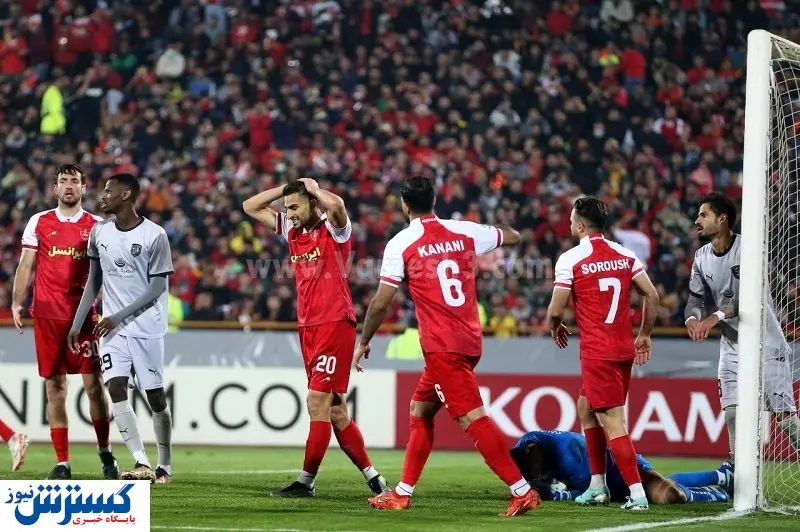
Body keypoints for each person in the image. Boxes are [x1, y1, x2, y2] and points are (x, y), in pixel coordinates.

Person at [355, 176, 539, 517]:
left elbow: (381, 301)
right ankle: (403, 492)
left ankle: (522, 490)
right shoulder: (464, 230)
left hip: (443, 345)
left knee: (473, 418)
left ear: (404, 206)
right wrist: (492, 234)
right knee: (420, 409)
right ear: (434, 201)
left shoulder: (401, 243)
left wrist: (364, 340)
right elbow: (512, 235)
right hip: (469, 339)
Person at [243, 178, 388, 498]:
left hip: (334, 322)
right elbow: (250, 206)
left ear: (312, 202)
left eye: (296, 207)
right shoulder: (291, 229)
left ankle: (306, 481)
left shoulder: (334, 229)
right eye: (287, 208)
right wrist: (286, 189)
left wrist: (312, 187)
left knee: (316, 401)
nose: (290, 213)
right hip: (308, 327)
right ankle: (374, 478)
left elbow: (337, 205)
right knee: (335, 410)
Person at [546, 196, 660, 511]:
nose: (569, 224)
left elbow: (555, 311)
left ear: (581, 226)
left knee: (613, 421)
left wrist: (555, 326)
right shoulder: (625, 254)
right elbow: (651, 294)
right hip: (622, 349)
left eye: (572, 220)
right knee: (585, 408)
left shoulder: (571, 259)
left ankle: (637, 494)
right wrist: (644, 334)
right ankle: (598, 486)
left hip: (598, 352)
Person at [11, 163, 119, 481]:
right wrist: (16, 302)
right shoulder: (39, 222)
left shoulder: (97, 226)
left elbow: (110, 273)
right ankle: (62, 462)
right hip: (47, 316)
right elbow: (26, 265)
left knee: (94, 386)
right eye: (63, 181)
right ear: (55, 188)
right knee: (55, 388)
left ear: (84, 188)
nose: (69, 185)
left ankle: (105, 452)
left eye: (74, 181)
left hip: (83, 318)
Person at [70, 173, 174, 484]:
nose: (102, 196)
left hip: (146, 328)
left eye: (108, 191)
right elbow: (94, 281)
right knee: (115, 387)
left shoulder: (155, 235)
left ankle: (165, 465)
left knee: (155, 397)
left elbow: (157, 288)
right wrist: (78, 322)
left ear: (126, 195)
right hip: (112, 331)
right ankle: (141, 461)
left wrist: (118, 316)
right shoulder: (99, 232)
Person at [685, 192, 800, 461]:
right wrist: (692, 320)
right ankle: (739, 474)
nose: (697, 221)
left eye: (704, 215)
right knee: (733, 413)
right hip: (732, 345)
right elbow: (695, 299)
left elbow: (747, 297)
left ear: (722, 219)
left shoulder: (749, 248)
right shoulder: (701, 256)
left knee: (785, 418)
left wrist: (714, 317)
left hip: (766, 342)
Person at [510, 430, 732, 505]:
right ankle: (721, 475)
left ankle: (719, 492)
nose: (533, 476)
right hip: (600, 466)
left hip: (621, 471)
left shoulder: (572, 460)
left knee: (669, 495)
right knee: (665, 486)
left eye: (532, 472)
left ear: (532, 453)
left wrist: (560, 495)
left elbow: (598, 493)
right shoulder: (527, 444)